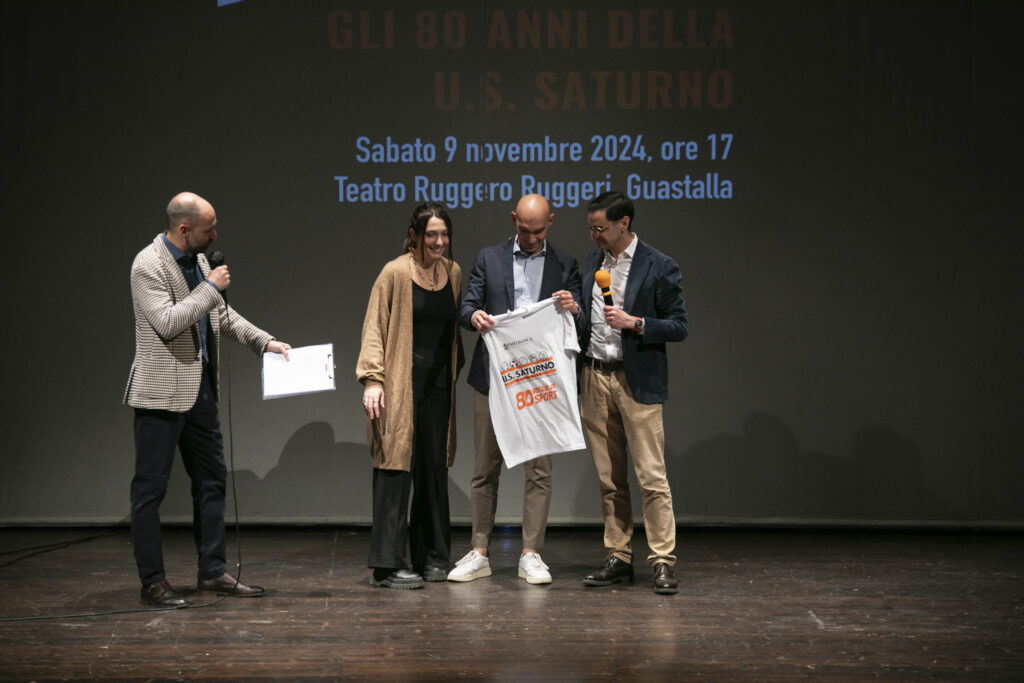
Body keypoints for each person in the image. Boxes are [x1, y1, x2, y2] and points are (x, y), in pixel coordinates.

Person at [124, 192, 292, 607]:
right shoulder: (147, 266)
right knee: (150, 491)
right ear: (184, 229)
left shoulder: (199, 263)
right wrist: (210, 287)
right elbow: (167, 322)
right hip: (160, 394)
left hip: (199, 390)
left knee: (213, 480)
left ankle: (212, 571)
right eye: (208, 228)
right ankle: (153, 581)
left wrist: (264, 342)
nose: (215, 235)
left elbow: (220, 315)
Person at [447, 194, 581, 585]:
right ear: (513, 221)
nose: (531, 237)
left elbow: (582, 323)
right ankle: (479, 550)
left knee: (539, 469)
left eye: (538, 230)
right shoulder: (489, 258)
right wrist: (475, 315)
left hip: (541, 381)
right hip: (493, 378)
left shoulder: (565, 264)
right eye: (524, 230)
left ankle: (531, 553)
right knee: (485, 467)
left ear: (551, 223)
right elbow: (465, 307)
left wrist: (574, 308)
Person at [578, 191, 688, 595]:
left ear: (623, 224)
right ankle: (618, 555)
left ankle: (661, 560)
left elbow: (679, 326)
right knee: (610, 478)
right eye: (590, 229)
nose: (594, 237)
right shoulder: (594, 262)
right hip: (594, 377)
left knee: (651, 478)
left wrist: (636, 322)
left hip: (636, 380)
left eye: (600, 229)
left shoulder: (659, 266)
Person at [356, 202, 463, 589]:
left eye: (444, 234)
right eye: (431, 234)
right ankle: (388, 565)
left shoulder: (452, 272)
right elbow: (374, 327)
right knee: (395, 470)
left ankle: (433, 556)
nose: (439, 242)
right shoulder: (395, 273)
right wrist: (372, 378)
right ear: (415, 235)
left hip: (436, 390)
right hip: (398, 386)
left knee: (433, 470)